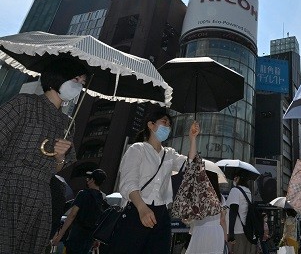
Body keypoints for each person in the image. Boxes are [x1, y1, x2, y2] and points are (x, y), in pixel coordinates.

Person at [0, 57, 88, 254]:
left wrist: (59, 158)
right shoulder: (24, 103)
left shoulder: (67, 123)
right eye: (76, 80)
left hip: (41, 194)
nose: (79, 87)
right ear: (59, 77)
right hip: (8, 185)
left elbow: (57, 168)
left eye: (82, 83)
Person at [109, 108, 199, 254]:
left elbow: (191, 165)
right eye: (164, 122)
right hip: (137, 209)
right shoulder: (137, 149)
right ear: (150, 125)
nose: (167, 127)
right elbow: (129, 182)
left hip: (161, 214)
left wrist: (193, 139)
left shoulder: (170, 153)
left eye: (169, 125)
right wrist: (142, 208)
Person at [51, 169, 108, 254]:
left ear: (92, 180)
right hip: (89, 238)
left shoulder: (83, 194)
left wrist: (60, 236)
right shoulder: (102, 198)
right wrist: (97, 239)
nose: (87, 180)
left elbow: (72, 215)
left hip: (76, 235)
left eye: (89, 178)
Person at [187, 170, 228, 254]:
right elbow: (222, 220)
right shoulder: (220, 197)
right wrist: (225, 238)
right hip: (217, 232)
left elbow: (189, 217)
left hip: (201, 231)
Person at [226, 172, 257, 254]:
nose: (234, 179)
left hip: (237, 230)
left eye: (235, 177)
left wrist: (231, 234)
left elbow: (233, 211)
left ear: (239, 178)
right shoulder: (248, 191)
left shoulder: (235, 190)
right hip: (247, 230)